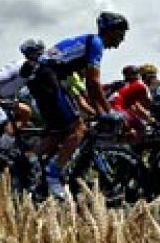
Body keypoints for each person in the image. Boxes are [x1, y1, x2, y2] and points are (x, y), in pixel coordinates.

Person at [26, 12, 130, 198]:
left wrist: (100, 111)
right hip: (47, 78)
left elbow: (88, 89)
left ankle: (27, 162)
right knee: (78, 128)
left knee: (59, 132)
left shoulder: (89, 41)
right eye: (121, 34)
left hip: (44, 78)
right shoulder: (96, 43)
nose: (122, 39)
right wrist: (108, 111)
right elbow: (93, 84)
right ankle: (53, 174)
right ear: (111, 31)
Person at [0, 39, 44, 130]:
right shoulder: (19, 65)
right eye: (36, 53)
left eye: (39, 53)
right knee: (8, 119)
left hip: (4, 98)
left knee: (26, 113)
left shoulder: (36, 68)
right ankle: (7, 137)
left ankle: (11, 136)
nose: (38, 55)